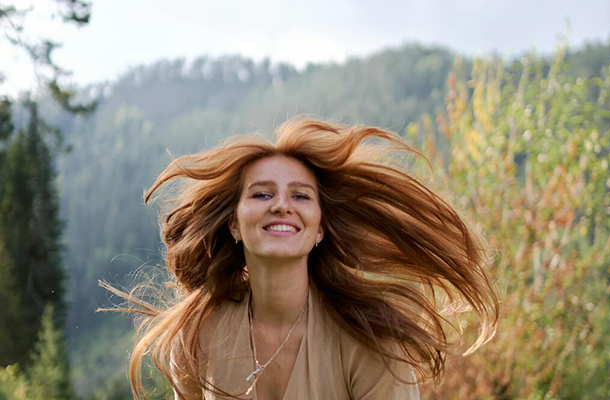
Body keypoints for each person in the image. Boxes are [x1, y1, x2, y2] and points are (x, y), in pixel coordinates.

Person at [100, 118, 498, 400]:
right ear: (235, 225)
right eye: (261, 194)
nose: (281, 206)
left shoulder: (370, 343)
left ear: (319, 228)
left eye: (301, 196)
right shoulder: (199, 333)